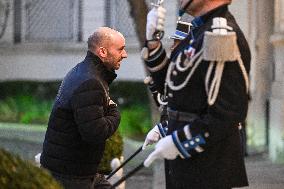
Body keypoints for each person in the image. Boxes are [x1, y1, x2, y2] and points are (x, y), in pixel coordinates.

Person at [142, 0, 250, 188]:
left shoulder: (219, 34)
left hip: (206, 169)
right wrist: (153, 44)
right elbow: (174, 88)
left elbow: (227, 114)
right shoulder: (198, 31)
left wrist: (178, 141)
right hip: (188, 166)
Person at [40, 27, 127, 189]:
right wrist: (115, 112)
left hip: (80, 172)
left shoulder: (84, 71)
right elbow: (95, 133)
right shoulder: (90, 81)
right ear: (102, 52)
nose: (125, 54)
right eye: (120, 49)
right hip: (71, 177)